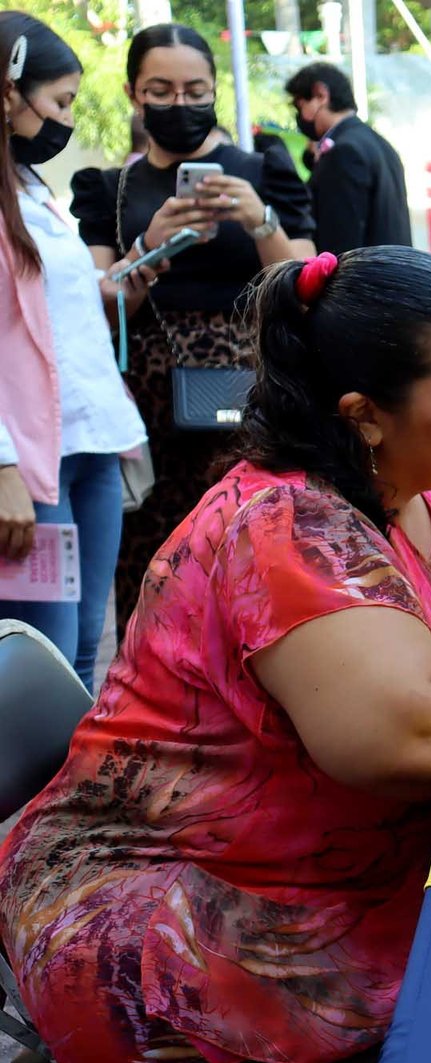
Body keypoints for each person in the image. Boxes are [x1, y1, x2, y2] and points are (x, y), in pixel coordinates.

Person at [0, 245, 431, 1063]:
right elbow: (402, 737)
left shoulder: (407, 480)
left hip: (309, 867)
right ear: (365, 412)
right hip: (177, 919)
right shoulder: (288, 529)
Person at [70, 22, 315, 637]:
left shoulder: (263, 169)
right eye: (161, 90)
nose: (180, 105)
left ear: (214, 90)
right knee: (152, 569)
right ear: (133, 94)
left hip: (256, 396)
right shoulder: (108, 188)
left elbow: (307, 288)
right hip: (148, 412)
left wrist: (260, 221)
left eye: (194, 90)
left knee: (258, 559)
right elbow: (101, 310)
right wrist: (145, 248)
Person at [0, 13, 151, 689]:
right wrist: (2, 466)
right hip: (32, 465)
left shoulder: (31, 189)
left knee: (83, 650)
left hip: (90, 444)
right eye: (59, 101)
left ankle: (63, 793)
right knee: (40, 659)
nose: (65, 120)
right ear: (8, 93)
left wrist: (126, 275)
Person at [286, 61, 411, 254]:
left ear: (320, 95)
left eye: (300, 105)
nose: (300, 116)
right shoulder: (379, 144)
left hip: (362, 280)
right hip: (390, 274)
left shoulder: (344, 152)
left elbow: (340, 241)